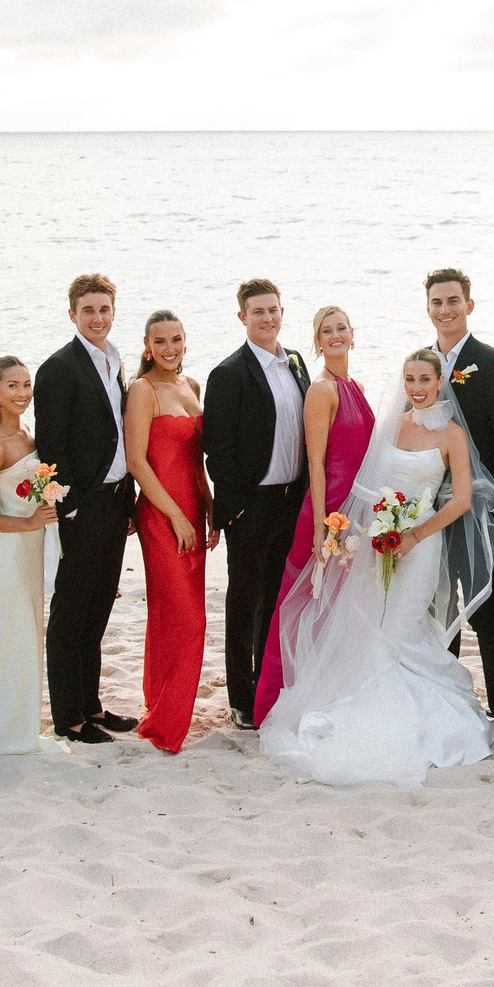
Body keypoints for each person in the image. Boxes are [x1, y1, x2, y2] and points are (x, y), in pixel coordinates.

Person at [261, 349, 494, 788]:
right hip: (379, 541)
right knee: (374, 624)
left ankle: (423, 716)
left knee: (403, 628)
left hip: (421, 545)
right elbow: (368, 486)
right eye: (409, 379)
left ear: (439, 381)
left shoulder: (451, 436)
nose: (416, 387)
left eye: (425, 379)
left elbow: (463, 500)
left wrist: (414, 534)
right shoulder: (393, 425)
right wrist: (359, 533)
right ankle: (369, 706)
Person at [253, 305, 373, 726]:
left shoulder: (354, 384)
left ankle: (334, 688)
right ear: (318, 342)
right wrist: (325, 525)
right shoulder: (322, 390)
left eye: (342, 327)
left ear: (353, 335)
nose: (336, 335)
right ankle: (277, 697)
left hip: (356, 513)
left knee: (341, 609)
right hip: (329, 513)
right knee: (306, 603)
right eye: (327, 330)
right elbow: (316, 462)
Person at [426, 268, 494, 743]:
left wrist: (489, 504)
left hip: (482, 511)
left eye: (453, 301)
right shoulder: (422, 363)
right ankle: (446, 707)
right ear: (428, 307)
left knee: (485, 612)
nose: (445, 310)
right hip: (430, 513)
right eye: (437, 302)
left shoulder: (490, 363)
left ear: (469, 305)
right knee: (437, 609)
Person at [201, 279, 310, 729]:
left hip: (291, 502)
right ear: (242, 317)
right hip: (251, 506)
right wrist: (236, 509)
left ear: (283, 312)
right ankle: (242, 699)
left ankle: (271, 686)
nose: (267, 318)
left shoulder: (297, 364)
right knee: (244, 601)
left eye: (273, 310)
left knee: (277, 598)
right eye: (257, 311)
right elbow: (217, 451)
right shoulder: (229, 374)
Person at [37, 274, 140, 744]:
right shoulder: (59, 368)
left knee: (99, 607)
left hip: (117, 501)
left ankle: (92, 705)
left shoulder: (113, 359)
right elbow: (51, 448)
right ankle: (70, 718)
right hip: (83, 506)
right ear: (73, 314)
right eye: (88, 311)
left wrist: (130, 497)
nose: (97, 318)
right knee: (71, 610)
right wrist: (70, 507)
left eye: (104, 309)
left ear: (113, 312)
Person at [0, 356, 60, 755]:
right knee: (8, 643)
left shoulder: (29, 436)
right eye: (12, 386)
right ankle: (6, 734)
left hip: (30, 556)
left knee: (26, 642)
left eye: (26, 385)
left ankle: (17, 726)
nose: (22, 393)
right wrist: (29, 523)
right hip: (4, 556)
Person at [126, 311, 214, 754]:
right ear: (147, 345)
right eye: (159, 341)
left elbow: (196, 461)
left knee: (170, 616)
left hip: (194, 511)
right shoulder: (142, 391)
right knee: (187, 619)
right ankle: (167, 724)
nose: (169, 348)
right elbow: (138, 461)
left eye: (176, 339)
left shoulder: (191, 387)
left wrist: (208, 506)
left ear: (185, 340)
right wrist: (177, 516)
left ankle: (161, 705)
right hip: (162, 517)